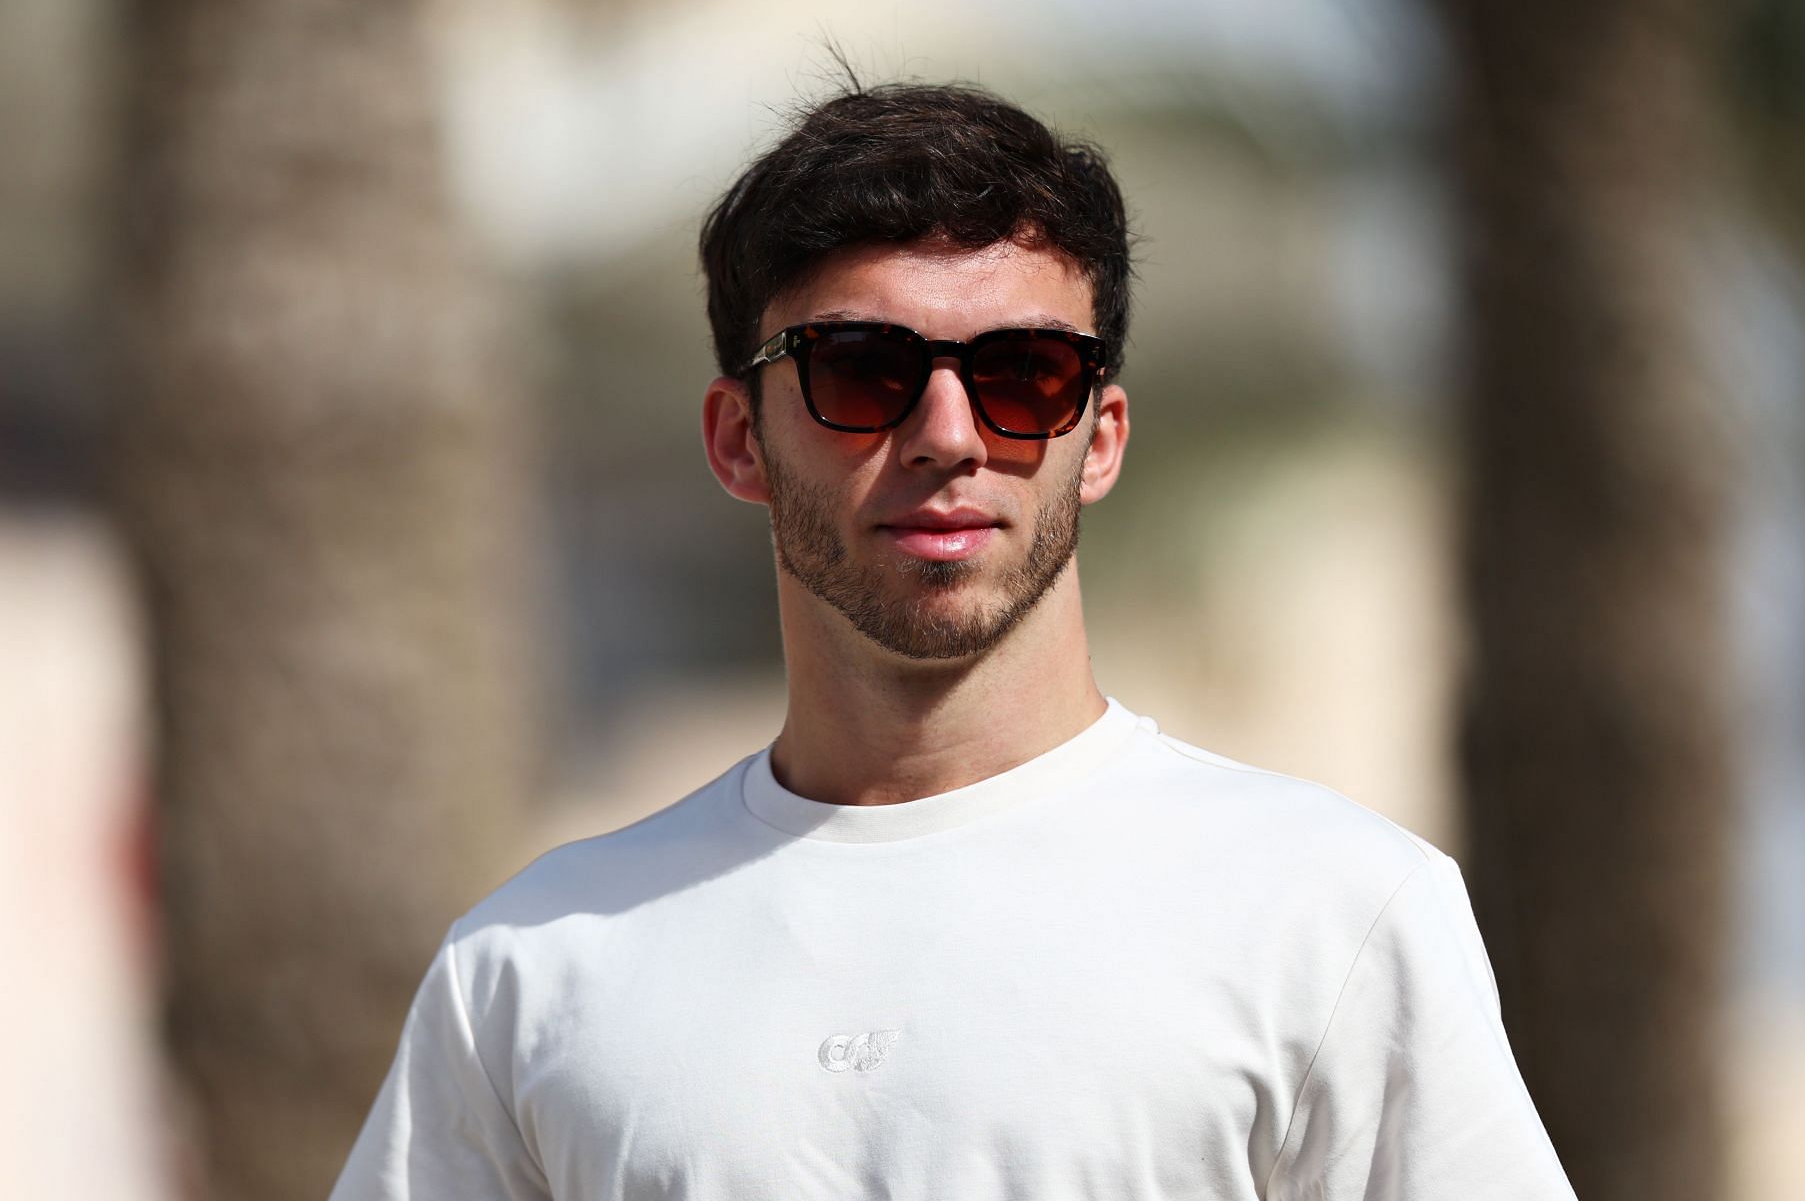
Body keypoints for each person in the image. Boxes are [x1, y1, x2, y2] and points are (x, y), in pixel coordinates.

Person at [332, 81, 1576, 1201]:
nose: (947, 432)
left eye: (1025, 373)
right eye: (861, 369)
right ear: (737, 438)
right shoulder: (533, 968)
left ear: (1100, 436)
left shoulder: (1334, 916)